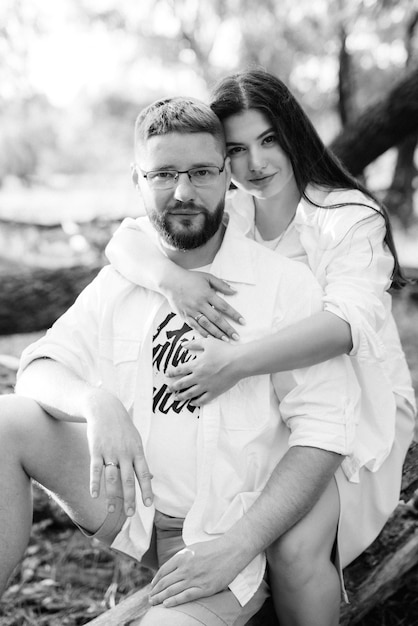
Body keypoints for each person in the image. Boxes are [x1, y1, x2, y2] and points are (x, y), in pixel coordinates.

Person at [0, 97, 361, 626]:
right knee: (8, 422)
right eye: (164, 173)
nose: (184, 191)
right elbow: (38, 366)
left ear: (228, 176)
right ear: (138, 178)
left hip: (225, 534)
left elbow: (325, 432)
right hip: (136, 509)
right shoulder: (126, 278)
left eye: (201, 172)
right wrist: (95, 402)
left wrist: (239, 546)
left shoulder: (283, 287)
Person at [105, 70, 417, 623]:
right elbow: (126, 239)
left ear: (294, 132)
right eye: (236, 150)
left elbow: (345, 325)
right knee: (209, 509)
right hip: (259, 409)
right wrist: (170, 279)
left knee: (292, 547)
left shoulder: (345, 217)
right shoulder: (235, 212)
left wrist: (236, 362)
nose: (256, 164)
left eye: (269, 139)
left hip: (352, 409)